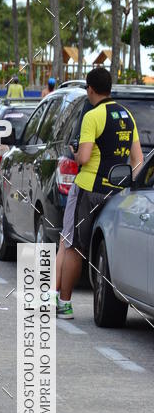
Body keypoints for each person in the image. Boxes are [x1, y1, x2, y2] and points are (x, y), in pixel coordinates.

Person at [55, 67, 143, 319]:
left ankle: (64, 304)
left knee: (73, 246)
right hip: (116, 191)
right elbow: (137, 160)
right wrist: (126, 184)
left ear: (90, 89)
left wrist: (75, 153)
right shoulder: (127, 115)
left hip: (88, 188)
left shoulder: (92, 116)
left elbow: (83, 157)